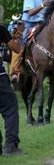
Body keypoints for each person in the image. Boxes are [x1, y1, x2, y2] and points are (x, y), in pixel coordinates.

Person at [0, 24, 22, 156]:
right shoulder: (1, 29)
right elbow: (17, 49)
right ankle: (11, 146)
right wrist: (17, 38)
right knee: (11, 108)